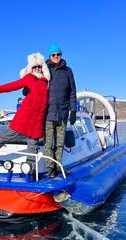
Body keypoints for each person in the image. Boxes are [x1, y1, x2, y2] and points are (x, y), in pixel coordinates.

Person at [0, 53, 50, 174]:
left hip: (38, 119)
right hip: (25, 116)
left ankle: (30, 170)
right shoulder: (29, 78)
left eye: (39, 67)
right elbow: (12, 86)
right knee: (9, 135)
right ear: (31, 68)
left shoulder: (46, 83)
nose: (37, 69)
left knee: (33, 146)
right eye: (35, 67)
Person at [44, 43, 77, 178]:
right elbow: (35, 82)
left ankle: (58, 166)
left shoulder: (68, 71)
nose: (56, 56)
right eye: (53, 55)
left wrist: (73, 111)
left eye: (58, 54)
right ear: (50, 56)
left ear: (61, 55)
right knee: (48, 143)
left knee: (59, 143)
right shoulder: (45, 70)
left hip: (63, 113)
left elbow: (72, 92)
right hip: (48, 113)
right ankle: (50, 168)